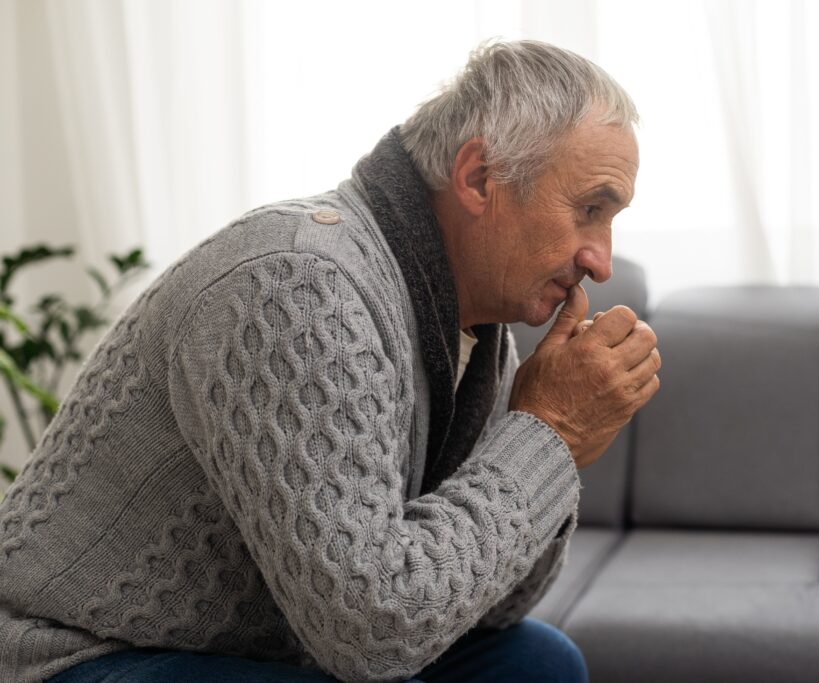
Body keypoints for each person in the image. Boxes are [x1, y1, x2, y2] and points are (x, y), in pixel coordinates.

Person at [0, 40, 659, 682]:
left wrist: (551, 443)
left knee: (538, 663)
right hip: (77, 652)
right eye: (589, 209)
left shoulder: (479, 332)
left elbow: (485, 609)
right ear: (478, 178)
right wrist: (549, 433)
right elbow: (374, 631)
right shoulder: (297, 287)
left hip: (284, 644)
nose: (600, 258)